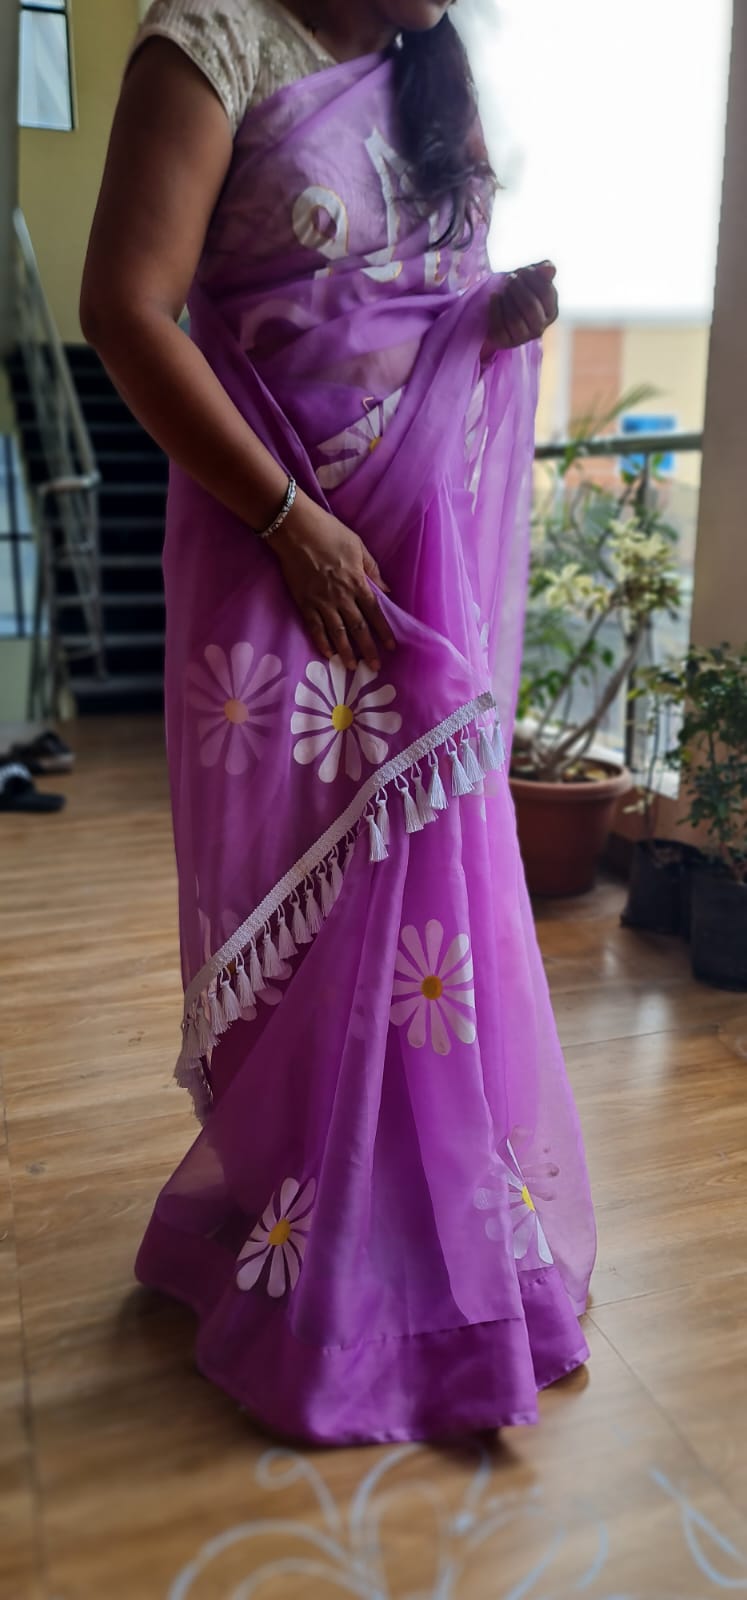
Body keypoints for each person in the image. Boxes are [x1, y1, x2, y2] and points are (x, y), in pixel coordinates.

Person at [81, 0, 596, 1445]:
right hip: (275, 560)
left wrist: (494, 322)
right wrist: (291, 521)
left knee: (421, 892)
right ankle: (307, 1232)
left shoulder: (437, 64)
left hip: (414, 560)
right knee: (300, 896)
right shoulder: (215, 38)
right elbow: (124, 304)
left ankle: (419, 1228)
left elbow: (422, 313)